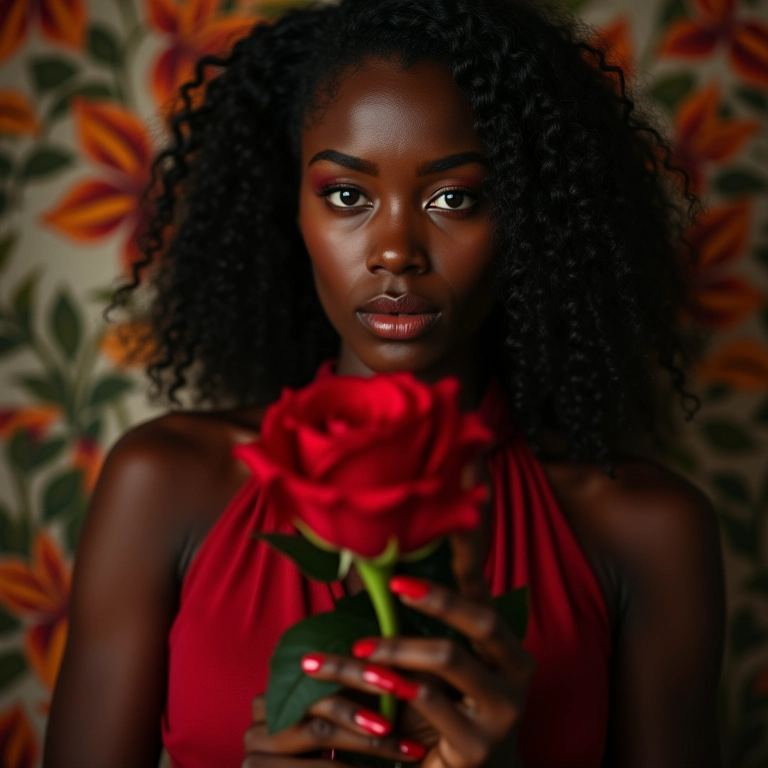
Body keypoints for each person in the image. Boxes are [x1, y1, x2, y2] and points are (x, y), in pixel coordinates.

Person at [43, 0, 726, 766]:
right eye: (347, 196)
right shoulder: (163, 484)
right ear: (290, 209)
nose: (395, 251)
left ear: (528, 218)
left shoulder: (646, 532)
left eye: (453, 198)